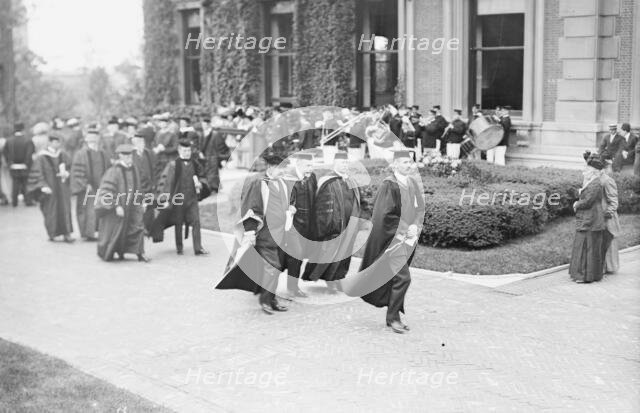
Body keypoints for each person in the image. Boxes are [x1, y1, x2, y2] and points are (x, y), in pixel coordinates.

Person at [358, 150, 424, 333]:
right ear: (394, 165)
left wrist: (415, 226)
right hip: (391, 241)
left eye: (410, 162)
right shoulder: (390, 185)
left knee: (396, 278)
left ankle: (393, 316)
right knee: (403, 278)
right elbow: (384, 216)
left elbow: (419, 209)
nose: (408, 165)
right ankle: (393, 317)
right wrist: (405, 228)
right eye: (403, 162)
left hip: (407, 240)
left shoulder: (411, 183)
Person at [216, 150, 289, 314]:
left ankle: (271, 298)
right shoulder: (258, 184)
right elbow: (251, 208)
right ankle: (266, 300)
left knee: (274, 268)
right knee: (273, 267)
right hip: (265, 235)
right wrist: (249, 232)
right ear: (271, 167)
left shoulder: (281, 183)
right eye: (281, 168)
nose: (283, 171)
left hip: (279, 236)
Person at [302, 152, 361, 294]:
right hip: (333, 225)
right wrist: (326, 225)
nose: (345, 165)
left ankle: (339, 278)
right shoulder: (328, 180)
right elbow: (322, 205)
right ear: (335, 163)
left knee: (345, 253)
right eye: (342, 162)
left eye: (347, 163)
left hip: (349, 224)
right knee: (331, 254)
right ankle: (331, 282)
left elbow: (359, 202)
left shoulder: (352, 181)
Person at [153, 139, 209, 256]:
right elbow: (167, 184)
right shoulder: (173, 165)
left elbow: (202, 176)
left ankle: (198, 248)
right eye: (185, 150)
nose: (187, 153)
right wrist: (167, 199)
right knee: (178, 223)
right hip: (178, 199)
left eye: (189, 150)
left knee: (196, 222)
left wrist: (201, 184)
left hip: (192, 198)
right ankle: (179, 247)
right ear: (179, 151)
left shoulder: (195, 163)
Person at [95, 144, 149, 262]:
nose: (129, 157)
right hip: (119, 206)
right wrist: (116, 205)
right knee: (116, 230)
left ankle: (140, 253)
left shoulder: (134, 168)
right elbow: (106, 190)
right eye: (125, 155)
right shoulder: (113, 171)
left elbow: (139, 187)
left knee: (137, 226)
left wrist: (142, 201)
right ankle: (115, 251)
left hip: (133, 204)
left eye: (130, 155)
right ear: (120, 156)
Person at [278, 152, 317, 297]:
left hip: (307, 224)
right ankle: (291, 288)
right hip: (292, 225)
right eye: (308, 165)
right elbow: (282, 198)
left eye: (312, 165)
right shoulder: (288, 178)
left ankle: (292, 286)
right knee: (295, 254)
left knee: (298, 256)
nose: (311, 168)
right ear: (299, 164)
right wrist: (289, 206)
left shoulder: (311, 177)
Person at [26, 134, 75, 242]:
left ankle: (67, 233)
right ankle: (52, 233)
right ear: (50, 143)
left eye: (59, 142)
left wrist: (67, 173)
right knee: (50, 210)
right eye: (55, 142)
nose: (58, 144)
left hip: (62, 188)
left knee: (65, 210)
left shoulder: (63, 155)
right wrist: (42, 186)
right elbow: (37, 173)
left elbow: (71, 167)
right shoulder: (41, 157)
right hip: (50, 188)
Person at [569, 153, 606, 283]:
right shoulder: (592, 181)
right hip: (588, 217)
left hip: (591, 218)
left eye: (588, 170)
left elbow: (588, 201)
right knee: (585, 245)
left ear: (594, 172)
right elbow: (586, 195)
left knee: (587, 246)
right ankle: (584, 274)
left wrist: (576, 204)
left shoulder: (596, 184)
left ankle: (585, 276)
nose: (585, 172)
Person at [70, 127, 109, 241]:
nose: (93, 139)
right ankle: (87, 233)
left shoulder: (103, 153)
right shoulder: (81, 154)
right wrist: (85, 183)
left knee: (98, 208)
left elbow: (108, 169)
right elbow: (77, 171)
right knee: (86, 209)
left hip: (101, 186)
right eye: (90, 137)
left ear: (98, 138)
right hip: (87, 187)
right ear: (86, 139)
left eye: (95, 136)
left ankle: (96, 231)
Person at [131, 127, 157, 234]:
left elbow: (155, 168)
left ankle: (149, 227)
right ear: (134, 143)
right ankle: (138, 227)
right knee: (137, 207)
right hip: (136, 185)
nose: (140, 144)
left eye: (142, 142)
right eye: (137, 142)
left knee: (149, 206)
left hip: (148, 184)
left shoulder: (149, 154)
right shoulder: (131, 155)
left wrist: (154, 183)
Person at [4, 122, 35, 207]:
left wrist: (10, 163)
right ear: (23, 129)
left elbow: (5, 153)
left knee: (15, 183)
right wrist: (27, 163)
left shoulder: (9, 140)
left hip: (13, 165)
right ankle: (28, 201)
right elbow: (30, 153)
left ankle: (14, 202)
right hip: (24, 165)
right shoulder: (27, 140)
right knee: (25, 183)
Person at [600, 159, 621, 274]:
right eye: (609, 167)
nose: (610, 169)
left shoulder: (608, 180)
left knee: (610, 239)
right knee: (602, 241)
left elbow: (613, 201)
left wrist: (608, 213)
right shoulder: (600, 179)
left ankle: (611, 267)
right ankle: (603, 266)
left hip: (608, 216)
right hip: (600, 214)